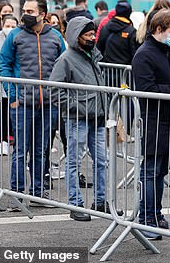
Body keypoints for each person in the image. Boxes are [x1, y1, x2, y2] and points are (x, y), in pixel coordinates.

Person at [132, 9, 170, 240]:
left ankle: (156, 216)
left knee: (160, 172)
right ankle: (147, 220)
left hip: (169, 121)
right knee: (150, 172)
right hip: (154, 121)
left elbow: (166, 82)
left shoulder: (166, 52)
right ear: (159, 30)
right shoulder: (145, 54)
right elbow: (146, 90)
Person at [0, 0, 66, 209]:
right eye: (25, 11)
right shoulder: (15, 36)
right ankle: (16, 195)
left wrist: (57, 97)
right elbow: (4, 66)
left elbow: (63, 68)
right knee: (20, 150)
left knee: (41, 150)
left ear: (43, 14)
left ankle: (38, 193)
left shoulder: (56, 37)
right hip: (21, 104)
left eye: (30, 11)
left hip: (48, 105)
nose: (25, 15)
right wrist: (13, 96)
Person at [49, 17, 111, 222]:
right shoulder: (66, 59)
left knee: (101, 161)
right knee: (74, 161)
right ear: (77, 36)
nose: (92, 38)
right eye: (88, 35)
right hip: (78, 118)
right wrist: (77, 106)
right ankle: (75, 204)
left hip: (97, 117)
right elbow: (55, 89)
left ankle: (101, 202)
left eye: (93, 34)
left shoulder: (93, 55)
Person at [0, 15, 19, 156]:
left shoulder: (20, 38)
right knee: (0, 113)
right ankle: (2, 142)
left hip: (15, 83)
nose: (10, 29)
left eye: (13, 26)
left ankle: (13, 140)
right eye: (7, 26)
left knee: (13, 113)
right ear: (2, 25)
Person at [96, 0, 138, 67]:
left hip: (107, 70)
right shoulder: (131, 31)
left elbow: (99, 48)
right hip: (125, 73)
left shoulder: (105, 27)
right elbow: (134, 53)